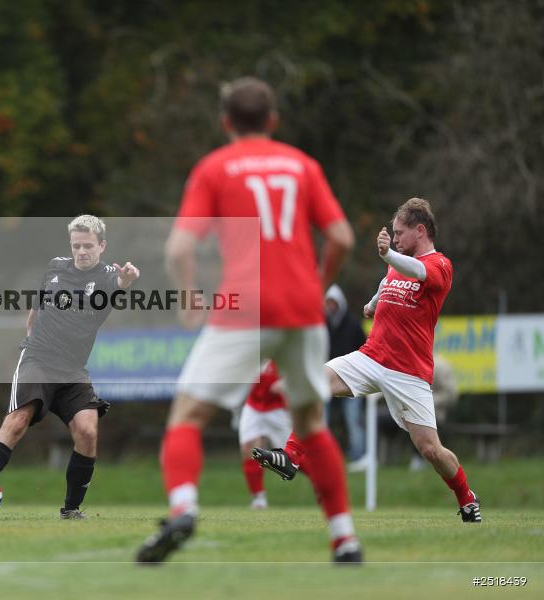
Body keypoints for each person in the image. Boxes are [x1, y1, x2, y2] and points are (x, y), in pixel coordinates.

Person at [137, 77, 361, 563]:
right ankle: (344, 537)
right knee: (312, 424)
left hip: (245, 305)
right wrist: (318, 286)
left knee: (188, 415)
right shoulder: (303, 165)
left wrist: (189, 297)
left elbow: (178, 247)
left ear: (225, 123)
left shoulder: (215, 168)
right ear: (273, 120)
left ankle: (183, 508)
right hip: (303, 309)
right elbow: (341, 237)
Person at [257, 198, 481, 523]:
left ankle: (466, 496)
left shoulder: (440, 266)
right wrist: (374, 301)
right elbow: (390, 278)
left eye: (400, 233)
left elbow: (416, 271)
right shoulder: (397, 262)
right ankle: (291, 456)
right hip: (372, 357)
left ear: (421, 231)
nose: (396, 238)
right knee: (316, 380)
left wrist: (388, 253)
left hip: (409, 373)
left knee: (431, 450)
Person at [0, 215, 139, 520]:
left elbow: (119, 283)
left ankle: (71, 509)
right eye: (76, 245)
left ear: (102, 246)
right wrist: (30, 342)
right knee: (18, 421)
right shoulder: (55, 268)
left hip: (73, 369)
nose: (82, 251)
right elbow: (35, 311)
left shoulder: (105, 277)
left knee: (88, 431)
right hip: (38, 358)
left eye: (88, 245)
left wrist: (126, 279)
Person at [324, 284, 368, 470]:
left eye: (334, 303)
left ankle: (358, 457)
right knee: (320, 419)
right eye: (329, 303)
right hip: (327, 376)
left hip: (351, 377)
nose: (331, 306)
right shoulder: (322, 322)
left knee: (353, 419)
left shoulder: (352, 323)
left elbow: (364, 346)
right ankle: (320, 456)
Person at [236, 361, 290, 509]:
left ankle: (324, 486)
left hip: (278, 409)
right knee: (249, 449)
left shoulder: (285, 342)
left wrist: (285, 382)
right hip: (253, 406)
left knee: (291, 458)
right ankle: (258, 498)